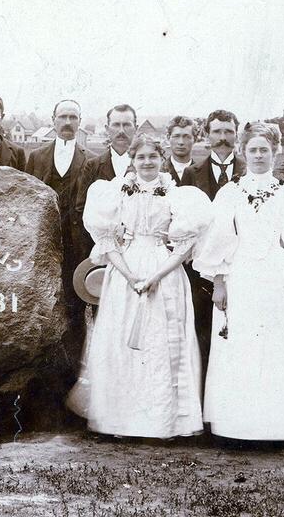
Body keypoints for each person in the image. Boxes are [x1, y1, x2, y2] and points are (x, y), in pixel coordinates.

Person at [195, 122, 284, 441]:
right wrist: (219, 281)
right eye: (253, 150)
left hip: (276, 276)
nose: (258, 156)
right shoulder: (230, 193)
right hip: (240, 275)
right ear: (243, 153)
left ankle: (281, 425)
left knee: (278, 345)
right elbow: (218, 240)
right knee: (241, 344)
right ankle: (238, 425)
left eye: (264, 150)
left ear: (275, 153)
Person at [68, 134, 211, 438]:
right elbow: (107, 242)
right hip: (127, 269)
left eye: (153, 157)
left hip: (164, 270)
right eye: (141, 157)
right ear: (132, 160)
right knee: (123, 343)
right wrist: (130, 275)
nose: (147, 162)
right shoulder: (116, 193)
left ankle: (164, 422)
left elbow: (184, 246)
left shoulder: (176, 194)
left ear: (162, 158)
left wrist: (158, 275)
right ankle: (121, 420)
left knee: (161, 341)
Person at [179, 109, 244, 378]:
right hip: (200, 272)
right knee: (203, 334)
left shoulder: (250, 170)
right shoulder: (191, 174)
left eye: (228, 131)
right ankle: (206, 403)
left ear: (236, 135)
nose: (223, 138)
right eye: (217, 131)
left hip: (242, 266)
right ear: (206, 135)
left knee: (239, 333)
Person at [25, 99, 92, 357]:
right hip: (44, 246)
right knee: (42, 305)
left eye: (73, 117)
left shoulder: (91, 160)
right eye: (62, 117)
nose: (67, 123)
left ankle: (73, 368)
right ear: (53, 121)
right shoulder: (36, 157)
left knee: (75, 309)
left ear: (79, 122)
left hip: (76, 248)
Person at [75, 104, 138, 259]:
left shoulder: (145, 166)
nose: (121, 130)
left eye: (127, 125)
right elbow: (81, 208)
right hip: (102, 250)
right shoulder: (93, 165)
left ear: (135, 127)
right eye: (116, 125)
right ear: (107, 128)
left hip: (137, 250)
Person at [164, 115, 196, 184]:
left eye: (186, 137)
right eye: (176, 136)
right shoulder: (158, 172)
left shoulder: (203, 173)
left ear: (195, 139)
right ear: (168, 138)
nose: (181, 142)